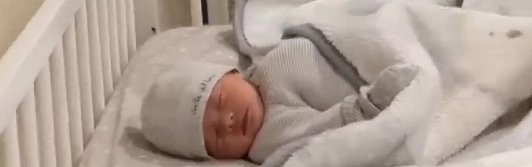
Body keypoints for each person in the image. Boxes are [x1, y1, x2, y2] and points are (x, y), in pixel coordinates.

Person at [140, 41, 415, 163]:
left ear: (233, 73)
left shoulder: (267, 62)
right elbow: (325, 132)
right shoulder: (267, 141)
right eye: (216, 136)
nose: (228, 120)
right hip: (382, 90)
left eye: (221, 100)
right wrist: (370, 105)